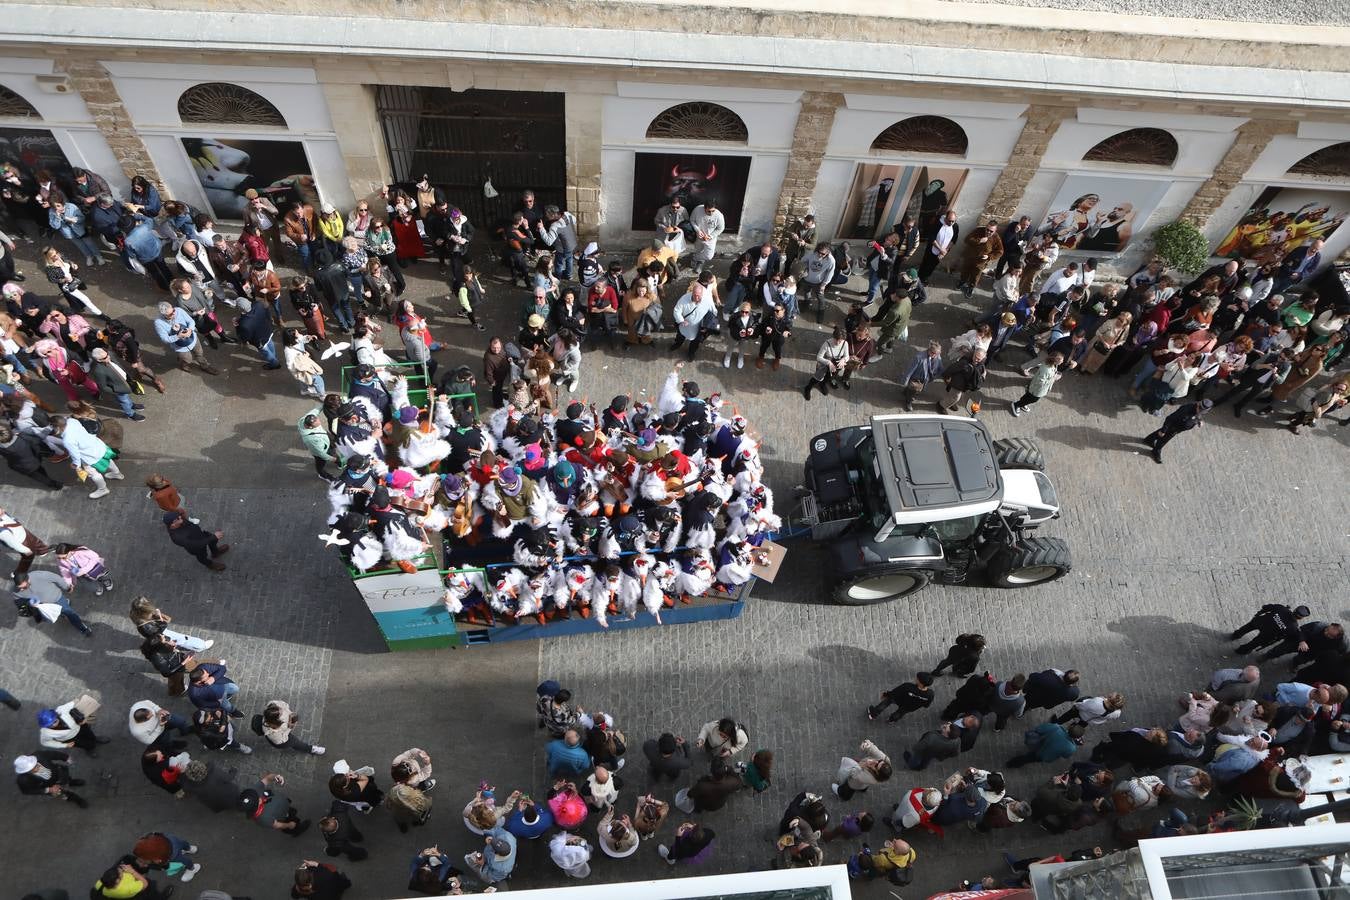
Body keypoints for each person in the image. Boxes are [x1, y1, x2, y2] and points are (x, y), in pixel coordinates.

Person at [14, 568, 92, 635]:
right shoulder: (16, 591)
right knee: (52, 615)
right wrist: (29, 603)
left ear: (28, 580)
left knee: (70, 614)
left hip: (57, 599)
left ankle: (82, 628)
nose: (21, 590)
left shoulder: (39, 575)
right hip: (45, 607)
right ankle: (62, 611)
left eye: (23, 587)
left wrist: (67, 587)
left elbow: (56, 578)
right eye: (19, 587)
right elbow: (19, 602)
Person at [153, 301, 218, 375]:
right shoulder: (158, 323)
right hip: (180, 347)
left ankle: (205, 366)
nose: (174, 313)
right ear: (164, 315)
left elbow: (191, 321)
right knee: (188, 359)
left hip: (193, 339)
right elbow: (165, 339)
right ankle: (184, 364)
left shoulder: (179, 310)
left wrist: (190, 329)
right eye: (171, 314)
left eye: (173, 310)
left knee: (199, 353)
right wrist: (178, 336)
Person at [1142, 398, 1212, 464]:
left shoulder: (1199, 411)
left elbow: (1198, 416)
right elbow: (1170, 419)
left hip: (1179, 428)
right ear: (1198, 405)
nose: (1201, 412)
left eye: (1203, 411)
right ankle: (1156, 450)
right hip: (1174, 427)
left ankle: (1149, 439)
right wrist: (1164, 430)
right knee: (1164, 438)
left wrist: (1198, 421)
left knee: (1161, 433)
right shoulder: (1186, 409)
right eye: (1200, 410)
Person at [240, 772, 310, 835]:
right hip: (283, 817)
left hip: (281, 803)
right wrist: (289, 825)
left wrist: (276, 776)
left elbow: (267, 778)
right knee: (292, 824)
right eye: (258, 800)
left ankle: (289, 811)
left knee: (291, 811)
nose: (259, 797)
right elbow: (276, 825)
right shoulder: (263, 819)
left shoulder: (252, 793)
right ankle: (297, 831)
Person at [15, 748, 88, 807]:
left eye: (35, 764)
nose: (37, 767)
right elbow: (27, 791)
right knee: (64, 793)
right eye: (31, 769)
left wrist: (65, 757)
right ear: (24, 771)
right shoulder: (23, 780)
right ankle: (77, 799)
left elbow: (53, 754)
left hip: (59, 774)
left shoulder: (39, 755)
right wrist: (48, 790)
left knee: (67, 779)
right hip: (48, 786)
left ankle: (71, 782)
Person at [1232, 603, 1312, 656]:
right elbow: (1295, 635)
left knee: (1245, 629)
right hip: (1267, 635)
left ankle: (1236, 635)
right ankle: (1241, 651)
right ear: (1301, 618)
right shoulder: (1293, 627)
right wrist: (1302, 641)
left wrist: (1259, 614)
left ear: (1294, 610)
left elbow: (1266, 607)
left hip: (1260, 622)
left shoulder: (1281, 608)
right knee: (1253, 644)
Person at [163, 509, 229, 572]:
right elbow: (197, 544)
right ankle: (210, 565)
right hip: (196, 547)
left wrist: (182, 514)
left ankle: (215, 553)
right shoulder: (177, 537)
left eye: (178, 515)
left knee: (213, 542)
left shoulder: (179, 520)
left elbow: (186, 520)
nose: (180, 517)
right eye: (178, 518)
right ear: (173, 524)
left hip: (201, 535)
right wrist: (214, 536)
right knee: (202, 557)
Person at [258, 699, 326, 755]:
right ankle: (311, 749)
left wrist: (290, 714)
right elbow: (282, 740)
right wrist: (289, 727)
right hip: (282, 739)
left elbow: (284, 705)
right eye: (281, 714)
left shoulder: (273, 704)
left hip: (286, 726)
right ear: (276, 721)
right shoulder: (272, 733)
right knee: (295, 742)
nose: (282, 711)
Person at [1006, 721, 1086, 768]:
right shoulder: (1071, 748)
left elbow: (1039, 729)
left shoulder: (1056, 727)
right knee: (1028, 759)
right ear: (1076, 738)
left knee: (1028, 755)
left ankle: (1013, 762)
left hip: (1036, 744)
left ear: (1070, 727)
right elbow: (1065, 756)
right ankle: (1012, 764)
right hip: (1043, 755)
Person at [1009, 351, 1064, 417]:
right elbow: (1041, 382)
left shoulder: (1053, 365)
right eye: (1061, 360)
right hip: (1037, 389)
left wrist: (1055, 374)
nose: (1062, 361)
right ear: (1055, 360)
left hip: (1038, 388)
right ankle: (1017, 405)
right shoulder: (1046, 369)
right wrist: (1054, 378)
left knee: (1028, 396)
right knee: (1034, 399)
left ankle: (1022, 403)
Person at [868, 671, 935, 723]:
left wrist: (886, 694)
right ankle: (891, 720)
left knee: (886, 702)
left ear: (921, 683)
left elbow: (895, 692)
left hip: (898, 699)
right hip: (909, 707)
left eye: (917, 679)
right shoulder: (930, 694)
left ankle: (873, 714)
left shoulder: (908, 686)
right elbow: (926, 705)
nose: (916, 679)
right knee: (900, 713)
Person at [802, 325, 848, 401]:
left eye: (840, 340)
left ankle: (822, 384)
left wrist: (843, 360)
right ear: (833, 337)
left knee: (829, 377)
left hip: (835, 366)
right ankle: (808, 388)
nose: (838, 342)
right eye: (837, 340)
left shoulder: (845, 343)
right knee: (817, 378)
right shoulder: (827, 344)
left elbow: (847, 356)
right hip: (824, 364)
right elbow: (819, 357)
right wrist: (829, 363)